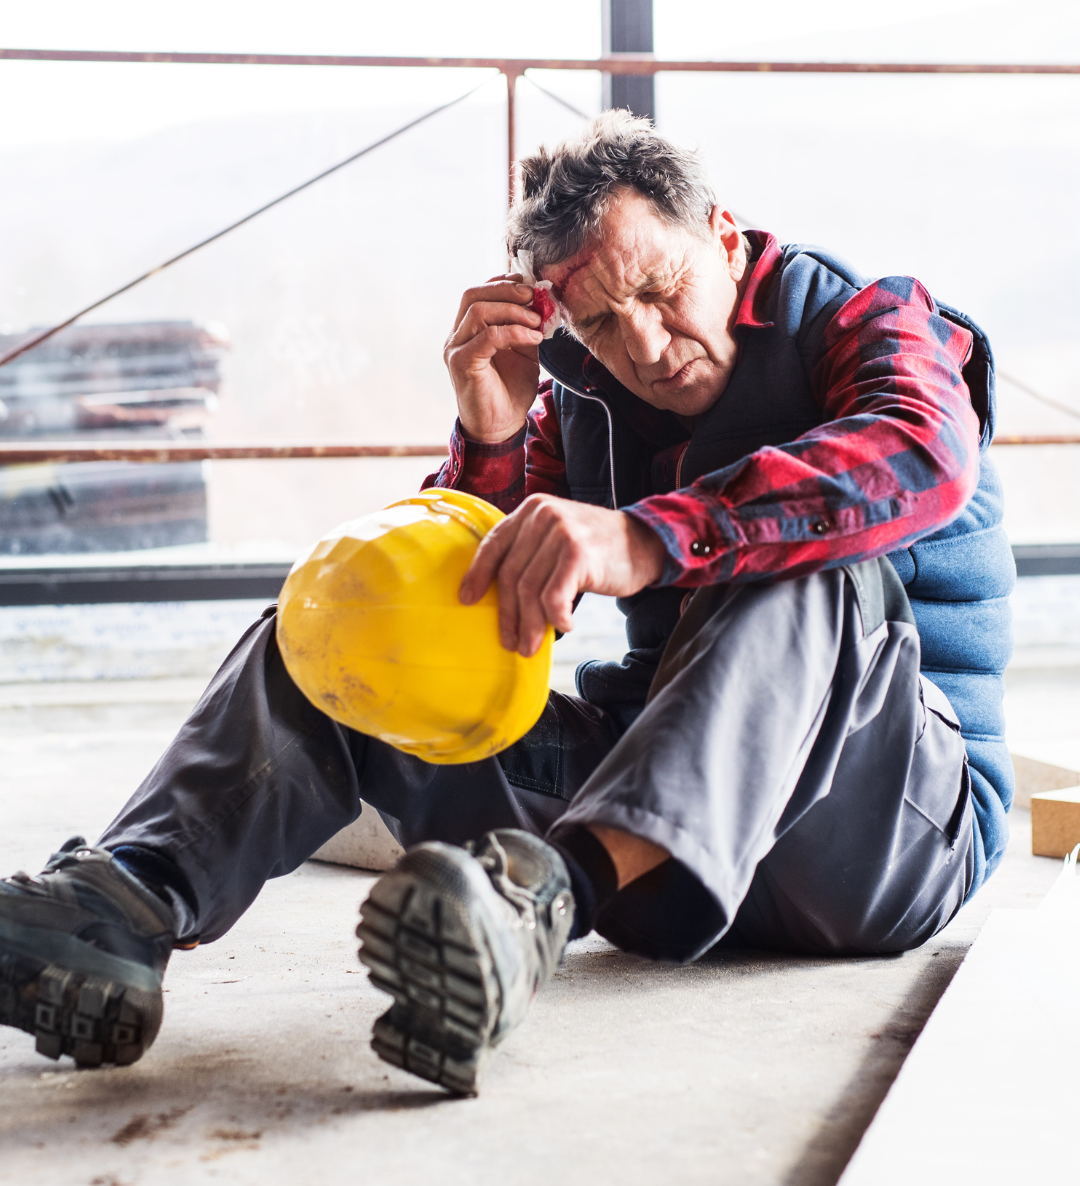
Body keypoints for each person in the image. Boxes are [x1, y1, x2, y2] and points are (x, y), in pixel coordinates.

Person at [0, 112, 1014, 1095]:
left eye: (660, 289)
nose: (648, 345)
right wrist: (490, 437)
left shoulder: (868, 320)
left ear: (722, 230)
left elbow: (922, 449)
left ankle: (537, 899)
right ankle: (126, 911)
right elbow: (477, 611)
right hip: (652, 848)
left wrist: (648, 535)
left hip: (879, 841)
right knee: (332, 643)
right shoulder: (584, 390)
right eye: (604, 324)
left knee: (797, 557)